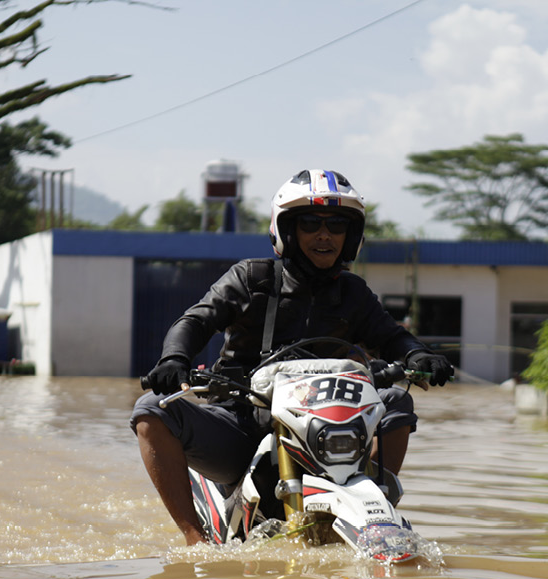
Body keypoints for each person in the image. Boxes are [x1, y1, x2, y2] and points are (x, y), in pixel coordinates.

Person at [130, 169, 454, 545]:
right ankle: (194, 538)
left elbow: (391, 335)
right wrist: (174, 358)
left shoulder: (354, 293)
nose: (324, 234)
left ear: (350, 237)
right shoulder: (252, 278)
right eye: (311, 224)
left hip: (328, 423)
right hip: (245, 423)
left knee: (397, 401)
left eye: (336, 225)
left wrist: (417, 354)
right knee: (152, 409)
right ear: (286, 232)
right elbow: (195, 321)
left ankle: (374, 503)